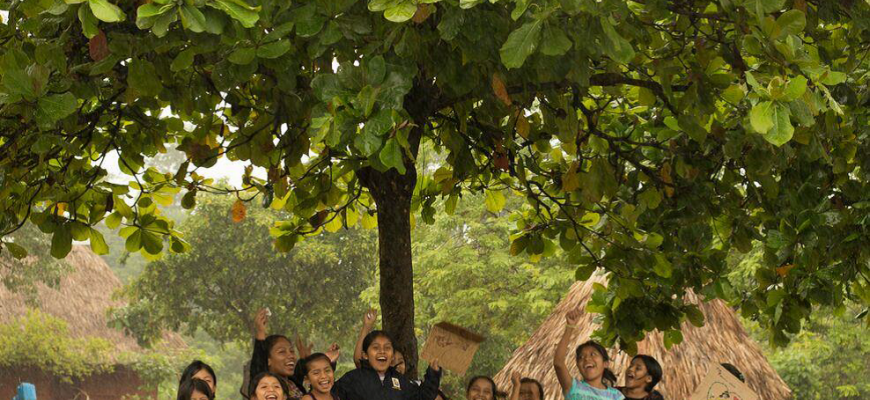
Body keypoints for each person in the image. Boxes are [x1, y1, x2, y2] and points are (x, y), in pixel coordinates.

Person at [334, 330, 442, 400]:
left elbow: (423, 397)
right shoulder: (352, 378)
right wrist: (330, 362)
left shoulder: (400, 380)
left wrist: (433, 372)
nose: (382, 351)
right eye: (376, 347)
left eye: (387, 348)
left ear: (391, 356)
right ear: (365, 355)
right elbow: (326, 395)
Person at [553, 308, 624, 400]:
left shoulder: (616, 395)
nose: (586, 359)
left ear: (605, 363)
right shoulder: (573, 387)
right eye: (581, 357)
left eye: (593, 354)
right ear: (578, 365)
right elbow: (558, 363)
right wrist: (569, 327)